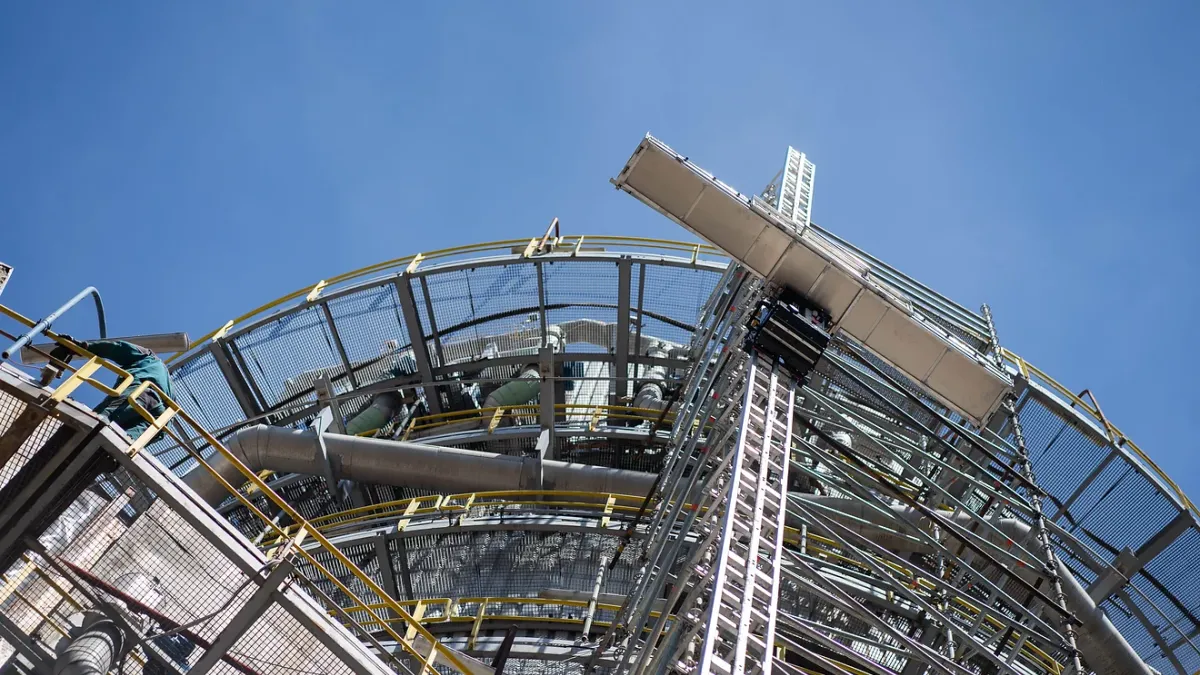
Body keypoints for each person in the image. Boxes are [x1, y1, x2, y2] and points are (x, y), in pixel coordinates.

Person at [51, 337, 174, 439]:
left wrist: (83, 347)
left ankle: (64, 441)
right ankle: (110, 457)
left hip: (140, 394)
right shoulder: (170, 388)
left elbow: (117, 348)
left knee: (98, 421)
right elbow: (165, 427)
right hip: (161, 417)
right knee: (126, 441)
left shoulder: (150, 358)